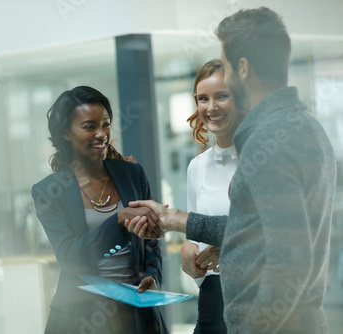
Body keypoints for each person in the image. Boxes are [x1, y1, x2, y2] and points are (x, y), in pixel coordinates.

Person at [126, 7, 336, 334]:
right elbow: (259, 232)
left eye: (225, 65)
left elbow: (290, 262)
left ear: (243, 68)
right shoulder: (305, 126)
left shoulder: (271, 140)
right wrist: (174, 221)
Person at [32, 86, 168, 334]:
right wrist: (117, 222)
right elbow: (70, 256)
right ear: (65, 134)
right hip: (82, 316)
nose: (101, 134)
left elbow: (151, 242)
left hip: (137, 313)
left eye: (105, 124)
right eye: (89, 126)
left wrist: (152, 275)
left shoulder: (132, 174)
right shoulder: (48, 192)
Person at [181, 58, 241, 334]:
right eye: (202, 98)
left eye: (222, 96)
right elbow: (194, 235)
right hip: (212, 303)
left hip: (255, 299)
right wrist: (187, 251)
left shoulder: (261, 162)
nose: (211, 107)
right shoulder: (197, 167)